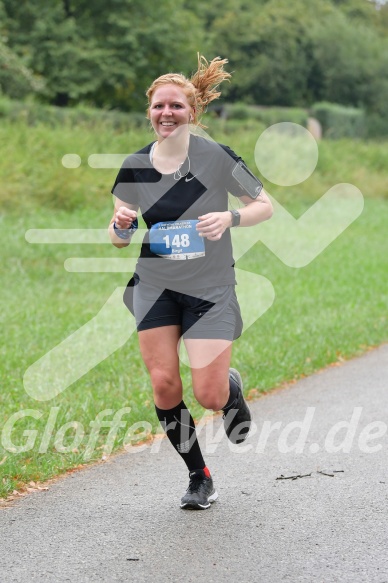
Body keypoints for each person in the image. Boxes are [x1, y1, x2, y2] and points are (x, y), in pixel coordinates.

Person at [108, 55, 273, 510]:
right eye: (159, 106)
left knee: (208, 394)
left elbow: (266, 205)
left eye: (176, 106)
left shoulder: (214, 156)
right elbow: (120, 237)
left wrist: (231, 216)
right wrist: (121, 224)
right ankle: (199, 477)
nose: (167, 113)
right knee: (164, 384)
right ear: (149, 112)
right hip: (154, 283)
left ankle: (230, 390)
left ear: (192, 112)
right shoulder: (134, 164)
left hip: (210, 286)